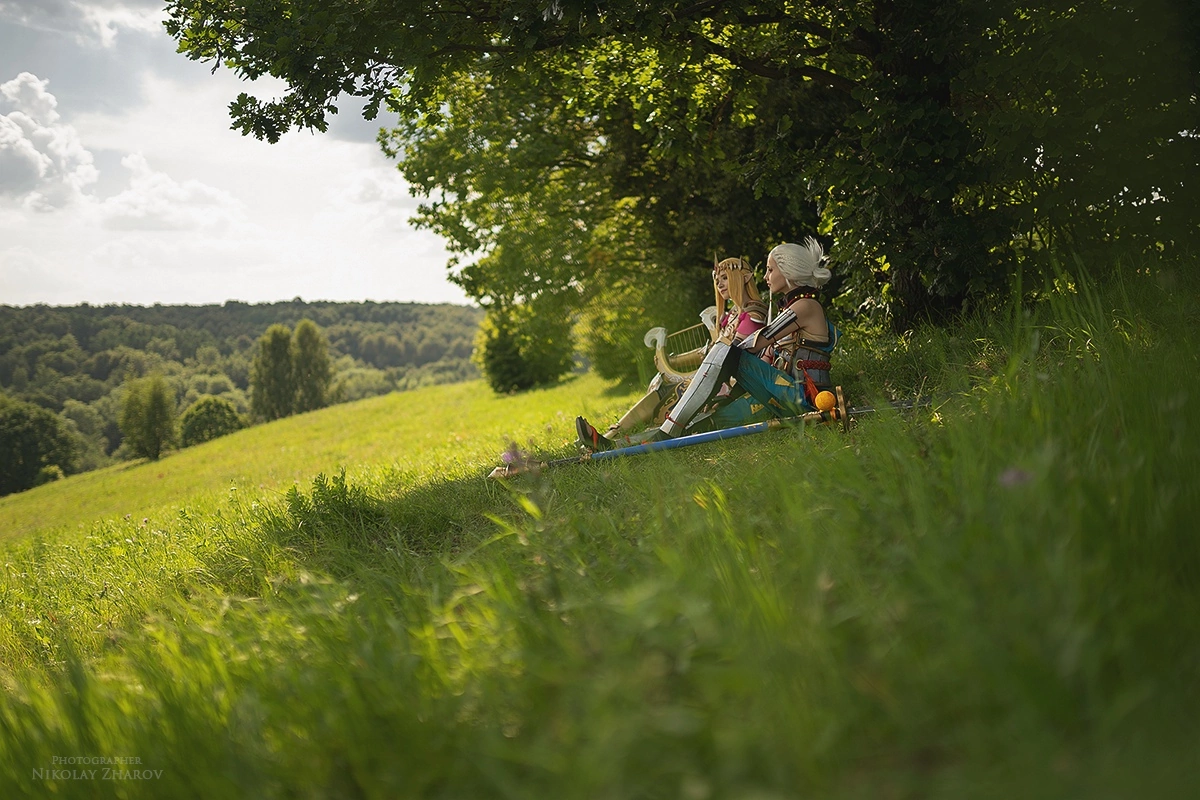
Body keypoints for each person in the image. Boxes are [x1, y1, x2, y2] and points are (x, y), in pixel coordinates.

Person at [646, 237, 838, 442]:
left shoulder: (805, 306)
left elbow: (756, 343)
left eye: (770, 270)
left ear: (789, 270)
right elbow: (763, 361)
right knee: (714, 418)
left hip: (806, 400)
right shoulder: (791, 307)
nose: (765, 276)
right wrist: (728, 396)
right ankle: (640, 440)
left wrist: (721, 361)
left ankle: (669, 429)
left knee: (724, 350)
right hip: (784, 393)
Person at [576, 256, 768, 451]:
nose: (719, 284)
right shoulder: (733, 314)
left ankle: (615, 443)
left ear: (744, 278)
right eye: (717, 279)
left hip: (735, 385)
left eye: (725, 278)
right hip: (719, 379)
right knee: (663, 388)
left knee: (676, 399)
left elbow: (731, 357)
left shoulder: (754, 313)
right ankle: (611, 437)